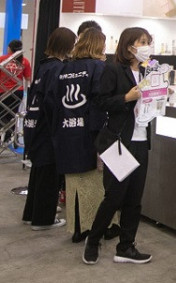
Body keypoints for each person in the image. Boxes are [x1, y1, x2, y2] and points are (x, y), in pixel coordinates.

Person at [83, 27, 154, 265]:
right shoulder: (113, 70)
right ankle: (93, 240)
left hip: (141, 141)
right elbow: (100, 101)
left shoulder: (147, 72)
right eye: (142, 42)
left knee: (134, 198)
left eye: (148, 42)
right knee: (114, 196)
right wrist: (126, 98)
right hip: (119, 142)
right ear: (129, 46)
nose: (146, 46)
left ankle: (126, 246)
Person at [47, 28, 110, 242]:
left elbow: (51, 101)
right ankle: (90, 228)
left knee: (73, 182)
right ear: (98, 45)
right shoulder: (98, 68)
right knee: (92, 183)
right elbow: (100, 103)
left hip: (65, 132)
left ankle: (76, 227)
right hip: (88, 134)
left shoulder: (64, 68)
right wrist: (101, 135)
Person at [22, 27, 76, 230]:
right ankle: (43, 219)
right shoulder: (58, 68)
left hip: (35, 126)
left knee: (38, 172)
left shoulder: (44, 65)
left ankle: (32, 214)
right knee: (48, 173)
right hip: (48, 129)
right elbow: (53, 102)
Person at [0, 39, 32, 123]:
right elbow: (28, 78)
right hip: (18, 92)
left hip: (3, 91)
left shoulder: (2, 59)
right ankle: (11, 130)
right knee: (12, 115)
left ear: (9, 48)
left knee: (2, 115)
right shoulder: (24, 61)